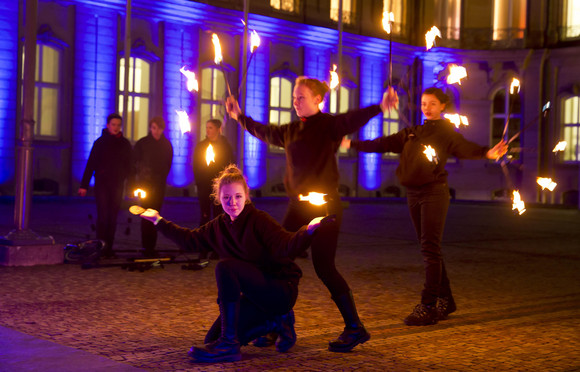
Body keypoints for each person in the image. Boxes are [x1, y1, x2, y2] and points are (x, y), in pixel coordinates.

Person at [225, 77, 398, 352]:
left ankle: (355, 327)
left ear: (318, 100)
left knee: (324, 267)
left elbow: (352, 120)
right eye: (294, 97)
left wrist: (380, 106)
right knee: (274, 259)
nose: (295, 102)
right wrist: (238, 116)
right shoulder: (291, 129)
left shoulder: (329, 126)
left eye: (301, 97)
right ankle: (272, 322)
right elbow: (264, 132)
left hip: (325, 208)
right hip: (298, 207)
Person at [343, 87, 508, 326]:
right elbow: (384, 143)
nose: (426, 108)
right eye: (423, 103)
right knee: (428, 248)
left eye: (432, 103)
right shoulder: (413, 132)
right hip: (413, 193)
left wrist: (487, 153)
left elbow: (466, 148)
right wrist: (352, 144)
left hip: (434, 192)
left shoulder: (446, 132)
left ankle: (428, 305)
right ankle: (447, 300)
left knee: (430, 249)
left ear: (442, 106)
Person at [139, 164, 328, 363]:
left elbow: (286, 245)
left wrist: (308, 231)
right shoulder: (218, 226)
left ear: (246, 196)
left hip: (279, 291)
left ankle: (230, 345)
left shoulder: (259, 220)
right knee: (211, 339)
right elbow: (189, 240)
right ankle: (276, 322)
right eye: (226, 197)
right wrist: (158, 220)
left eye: (238, 196)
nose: (233, 202)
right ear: (218, 199)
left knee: (225, 266)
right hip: (254, 297)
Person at [79, 113, 133, 258]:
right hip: (102, 183)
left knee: (113, 216)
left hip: (117, 183)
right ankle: (100, 246)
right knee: (103, 215)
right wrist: (84, 185)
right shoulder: (100, 142)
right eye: (113, 125)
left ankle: (109, 247)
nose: (116, 128)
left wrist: (131, 185)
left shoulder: (125, 144)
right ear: (108, 125)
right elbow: (91, 163)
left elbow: (129, 166)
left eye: (118, 125)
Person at [132, 116, 173, 257]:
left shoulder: (166, 145)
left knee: (155, 215)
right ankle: (146, 247)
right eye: (154, 128)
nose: (156, 131)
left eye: (159, 128)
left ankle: (152, 246)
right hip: (145, 185)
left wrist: (160, 179)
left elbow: (168, 164)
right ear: (150, 128)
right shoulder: (142, 143)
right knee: (145, 215)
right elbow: (135, 163)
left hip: (159, 185)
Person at [192, 119, 235, 226]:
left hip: (220, 186)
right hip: (204, 185)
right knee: (205, 214)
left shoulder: (225, 147)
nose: (207, 130)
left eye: (210, 127)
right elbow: (196, 165)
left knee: (218, 215)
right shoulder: (201, 146)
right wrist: (199, 182)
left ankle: (217, 239)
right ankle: (203, 238)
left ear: (218, 129)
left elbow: (230, 165)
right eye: (206, 127)